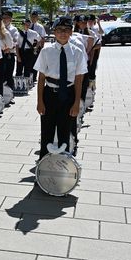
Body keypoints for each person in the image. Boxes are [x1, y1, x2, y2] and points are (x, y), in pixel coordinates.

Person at [35, 16, 88, 158]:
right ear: (54, 32)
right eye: (59, 30)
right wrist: (40, 101)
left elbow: (79, 79)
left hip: (68, 95)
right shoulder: (46, 52)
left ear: (71, 32)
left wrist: (77, 102)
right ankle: (44, 168)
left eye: (66, 30)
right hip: (50, 94)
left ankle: (63, 166)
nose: (63, 33)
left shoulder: (77, 52)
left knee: (65, 132)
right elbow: (41, 78)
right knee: (47, 132)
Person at [0, 13, 14, 95]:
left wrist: (5, 49)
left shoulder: (5, 32)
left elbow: (11, 45)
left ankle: (0, 97)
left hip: (1, 56)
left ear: (0, 22)